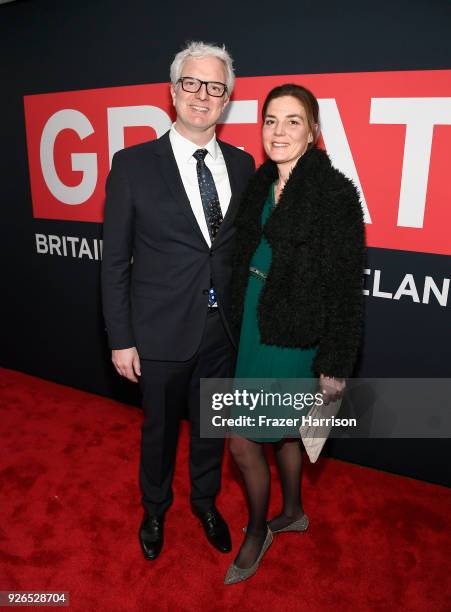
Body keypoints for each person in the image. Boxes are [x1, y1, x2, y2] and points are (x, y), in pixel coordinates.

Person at [101, 41, 255, 561]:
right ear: (173, 92)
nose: (202, 95)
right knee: (160, 432)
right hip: (159, 331)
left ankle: (206, 502)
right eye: (192, 83)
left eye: (215, 87)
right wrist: (121, 338)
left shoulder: (242, 163)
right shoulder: (133, 165)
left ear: (226, 99)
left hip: (222, 332)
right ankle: (154, 508)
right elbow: (115, 260)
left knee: (212, 428)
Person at [224, 84, 365, 584]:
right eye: (270, 120)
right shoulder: (260, 185)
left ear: (313, 132)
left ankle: (258, 529)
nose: (278, 131)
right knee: (283, 432)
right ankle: (295, 512)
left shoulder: (334, 194)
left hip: (293, 338)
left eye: (292, 121)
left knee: (242, 440)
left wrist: (336, 365)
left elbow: (347, 288)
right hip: (252, 326)